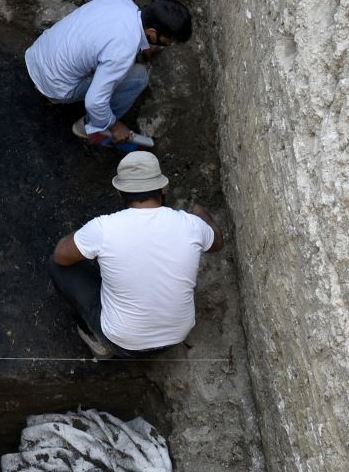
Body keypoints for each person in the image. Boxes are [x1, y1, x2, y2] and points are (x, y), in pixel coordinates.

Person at [48, 151, 223, 358]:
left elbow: (61, 255)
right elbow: (217, 242)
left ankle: (99, 342)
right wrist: (200, 212)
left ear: (119, 193)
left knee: (56, 265)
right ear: (163, 188)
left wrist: (86, 237)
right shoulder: (191, 225)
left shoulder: (104, 228)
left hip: (123, 343)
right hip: (175, 337)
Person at [24, 0, 192, 147]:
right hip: (55, 86)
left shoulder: (121, 1)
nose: (169, 45)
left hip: (37, 55)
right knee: (139, 77)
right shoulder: (123, 51)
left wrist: (142, 45)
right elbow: (94, 101)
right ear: (152, 33)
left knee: (104, 61)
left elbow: (107, 38)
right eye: (168, 41)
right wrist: (115, 125)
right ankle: (91, 128)